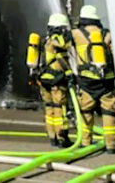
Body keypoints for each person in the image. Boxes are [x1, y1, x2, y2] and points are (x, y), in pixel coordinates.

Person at [72, 5, 115, 153]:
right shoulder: (106, 34)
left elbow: (61, 47)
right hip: (106, 80)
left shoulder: (75, 33)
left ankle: (86, 142)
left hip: (86, 80)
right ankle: (112, 145)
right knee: (109, 112)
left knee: (86, 111)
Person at [29, 13, 73, 148]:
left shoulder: (44, 39)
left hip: (44, 79)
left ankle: (52, 136)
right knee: (60, 109)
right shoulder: (56, 39)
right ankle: (62, 138)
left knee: (49, 109)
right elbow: (61, 58)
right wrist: (70, 73)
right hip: (56, 80)